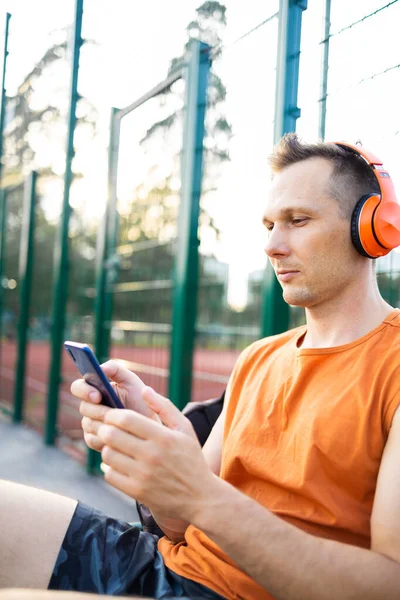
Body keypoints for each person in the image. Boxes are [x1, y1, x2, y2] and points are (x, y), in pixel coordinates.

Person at [2, 134, 400, 600]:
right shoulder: (259, 357)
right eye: (269, 225)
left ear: (372, 227)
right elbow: (180, 525)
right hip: (170, 565)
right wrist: (152, 454)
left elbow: (388, 584)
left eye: (297, 220)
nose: (273, 244)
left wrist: (200, 494)